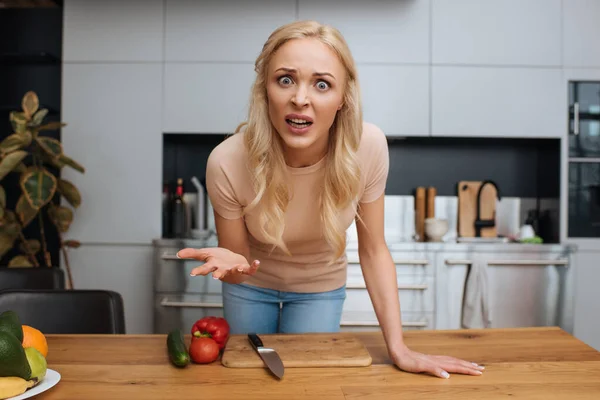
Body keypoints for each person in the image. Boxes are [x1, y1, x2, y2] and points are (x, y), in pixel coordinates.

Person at [177, 20, 484, 379]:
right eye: (285, 79)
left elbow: (373, 251)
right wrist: (232, 267)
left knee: (309, 383)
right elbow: (237, 269)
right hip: (251, 290)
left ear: (342, 99)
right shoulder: (227, 161)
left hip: (320, 288)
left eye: (321, 84)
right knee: (247, 382)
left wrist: (399, 349)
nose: (300, 98)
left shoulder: (367, 149)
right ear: (265, 89)